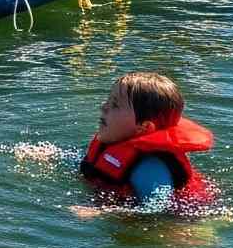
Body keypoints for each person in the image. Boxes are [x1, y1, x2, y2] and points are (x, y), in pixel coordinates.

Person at [76, 70, 217, 211]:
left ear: (143, 127)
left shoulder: (149, 166)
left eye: (115, 105)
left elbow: (159, 208)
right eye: (108, 100)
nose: (103, 107)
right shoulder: (114, 141)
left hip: (181, 219)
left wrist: (103, 211)